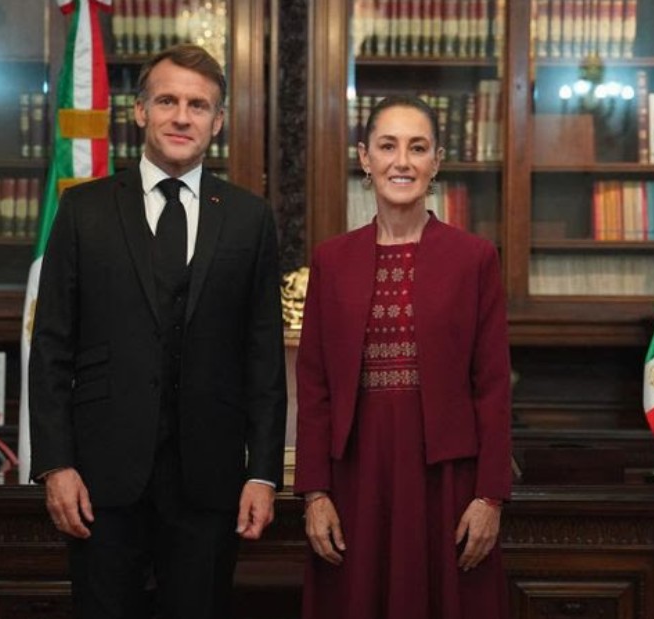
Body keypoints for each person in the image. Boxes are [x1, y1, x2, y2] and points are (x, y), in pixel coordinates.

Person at [29, 44, 287, 619]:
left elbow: (263, 358)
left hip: (210, 478)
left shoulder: (249, 218)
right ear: (140, 111)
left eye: (199, 105)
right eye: (167, 100)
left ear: (217, 122)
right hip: (99, 478)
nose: (181, 116)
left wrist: (263, 473)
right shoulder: (84, 211)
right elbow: (51, 348)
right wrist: (56, 463)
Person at [295, 95, 512, 619]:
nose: (402, 161)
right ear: (364, 158)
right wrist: (313, 494)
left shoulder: (474, 258)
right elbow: (315, 384)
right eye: (387, 146)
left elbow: (493, 385)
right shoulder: (331, 259)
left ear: (436, 161)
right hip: (355, 477)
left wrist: (490, 498)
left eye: (418, 148)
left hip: (446, 482)